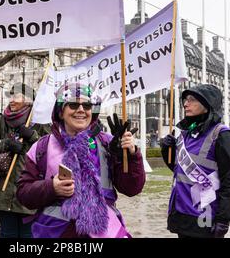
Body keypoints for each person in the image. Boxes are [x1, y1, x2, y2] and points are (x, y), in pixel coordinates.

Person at [16, 83, 145, 238]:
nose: (81, 110)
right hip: (56, 233)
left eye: (87, 105)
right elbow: (23, 194)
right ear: (61, 112)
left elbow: (132, 189)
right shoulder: (41, 147)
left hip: (104, 231)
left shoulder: (109, 143)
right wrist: (52, 187)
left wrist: (129, 155)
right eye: (73, 105)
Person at [160, 84, 230, 238]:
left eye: (192, 99)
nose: (185, 103)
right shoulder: (185, 134)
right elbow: (180, 171)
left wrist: (224, 219)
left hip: (205, 217)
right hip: (182, 214)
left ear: (207, 103)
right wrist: (166, 150)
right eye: (185, 100)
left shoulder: (222, 135)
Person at [0, 83, 50, 238]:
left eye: (16, 96)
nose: (11, 100)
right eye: (10, 96)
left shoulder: (40, 122)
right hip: (4, 193)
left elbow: (50, 149)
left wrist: (32, 136)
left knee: (28, 235)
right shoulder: (2, 120)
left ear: (28, 100)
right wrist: (5, 144)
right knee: (7, 234)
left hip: (30, 193)